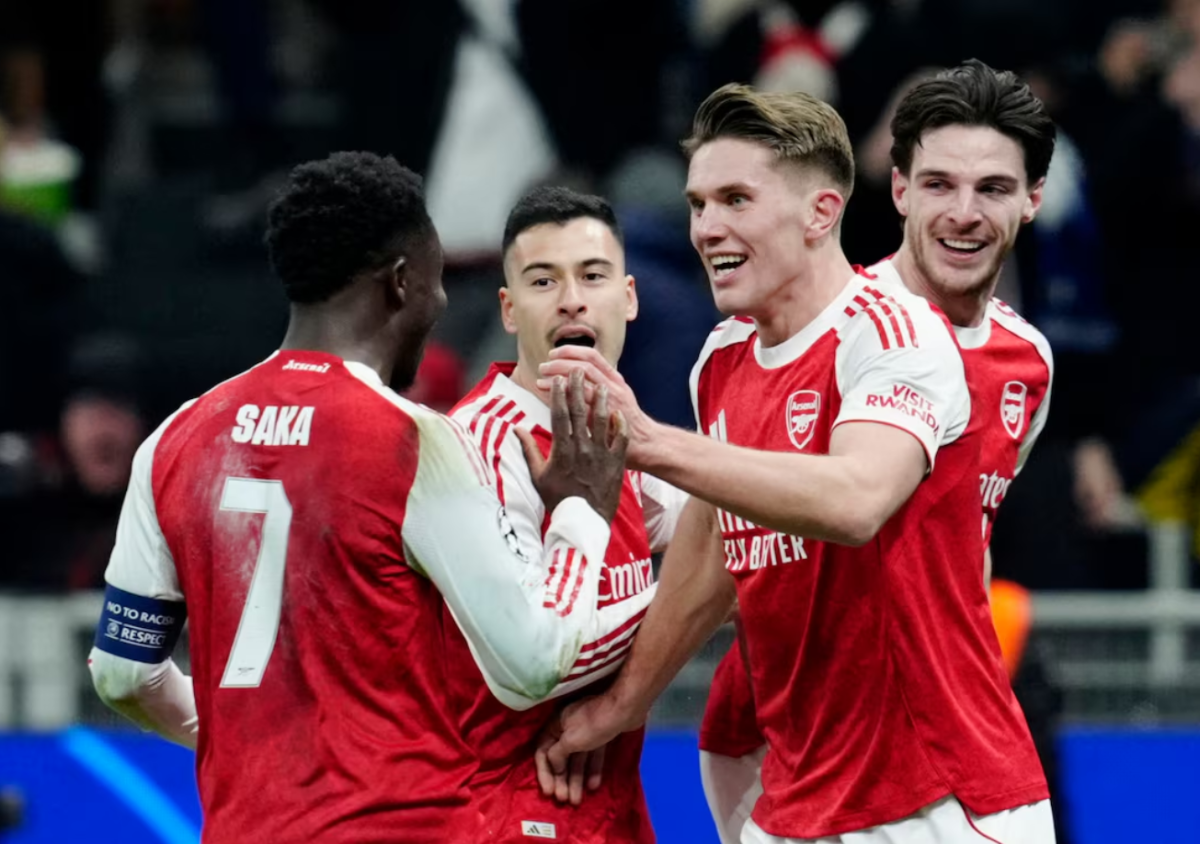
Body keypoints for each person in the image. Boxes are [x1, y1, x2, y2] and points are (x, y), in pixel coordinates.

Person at [536, 84, 1053, 843]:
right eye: (699, 204)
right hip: (784, 763)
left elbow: (861, 504)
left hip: (934, 794)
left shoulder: (920, 339)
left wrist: (648, 445)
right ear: (900, 190)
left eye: (736, 200)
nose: (707, 227)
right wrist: (622, 704)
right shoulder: (724, 356)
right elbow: (712, 543)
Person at [86, 152, 631, 844]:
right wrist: (582, 511)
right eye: (436, 282)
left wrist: (239, 738)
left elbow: (123, 672)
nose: (440, 306)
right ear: (403, 282)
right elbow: (531, 662)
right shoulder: (411, 441)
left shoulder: (177, 437)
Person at [697, 60, 1059, 844]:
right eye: (938, 185)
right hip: (798, 755)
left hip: (955, 782)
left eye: (994, 188)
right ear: (897, 190)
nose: (964, 214)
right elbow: (726, 558)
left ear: (1033, 199)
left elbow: (965, 548)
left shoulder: (1028, 362)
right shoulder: (816, 337)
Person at [447, 186, 685, 842]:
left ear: (629, 299)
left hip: (612, 809)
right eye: (543, 280)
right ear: (509, 309)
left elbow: (726, 538)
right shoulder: (480, 442)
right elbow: (535, 663)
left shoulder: (618, 435)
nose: (572, 299)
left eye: (593, 276)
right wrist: (692, 601)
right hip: (508, 812)